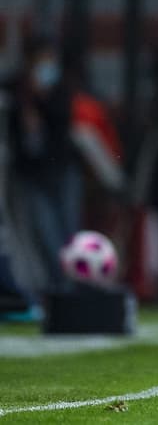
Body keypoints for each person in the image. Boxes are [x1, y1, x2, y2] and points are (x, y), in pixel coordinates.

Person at [2, 35, 82, 294]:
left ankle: (73, 286)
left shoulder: (61, 91)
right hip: (32, 175)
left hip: (61, 170)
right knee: (46, 233)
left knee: (68, 231)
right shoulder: (16, 90)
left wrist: (41, 98)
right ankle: (60, 287)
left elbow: (62, 123)